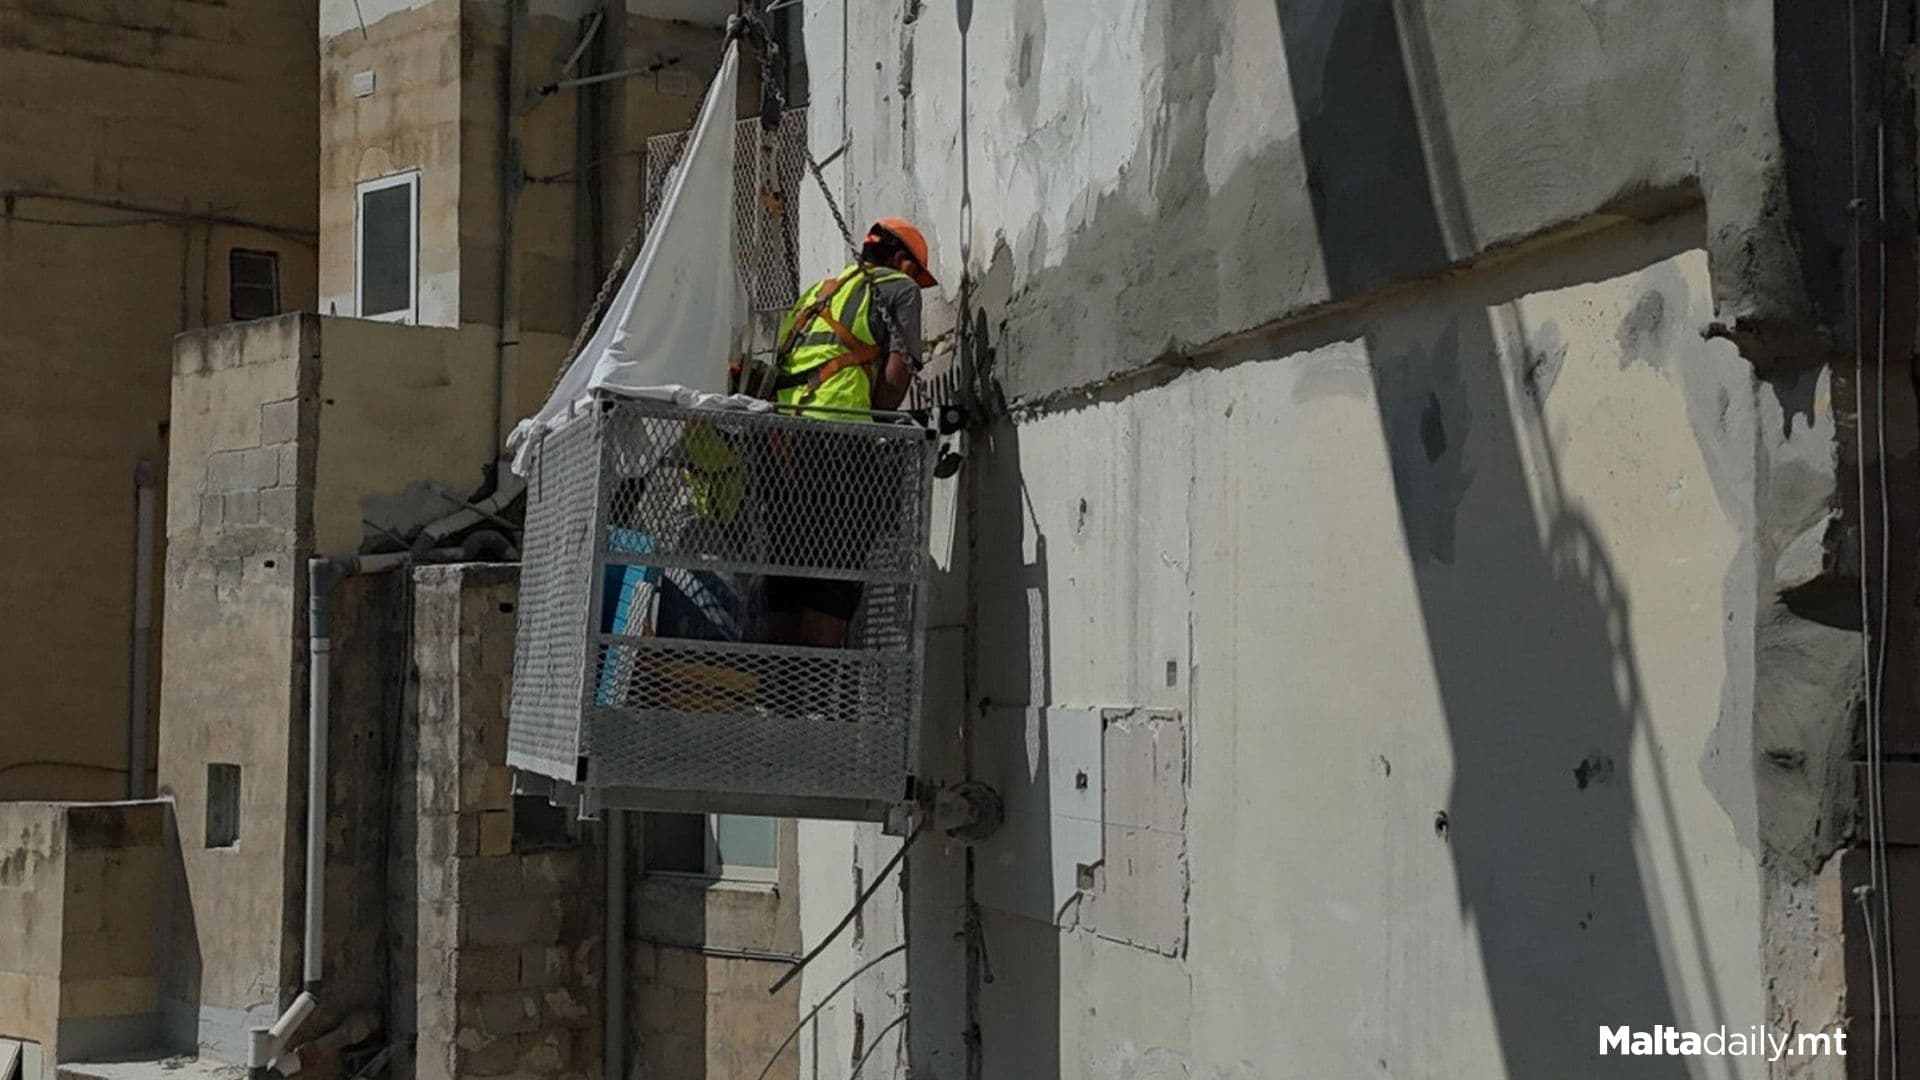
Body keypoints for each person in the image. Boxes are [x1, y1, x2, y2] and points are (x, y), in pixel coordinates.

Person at [764, 218, 938, 651]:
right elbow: (897, 377)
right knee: (834, 581)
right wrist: (879, 424)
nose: (914, 281)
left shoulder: (816, 294)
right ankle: (820, 709)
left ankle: (776, 702)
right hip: (839, 443)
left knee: (789, 578)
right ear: (900, 260)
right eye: (914, 270)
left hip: (782, 443)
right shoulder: (898, 289)